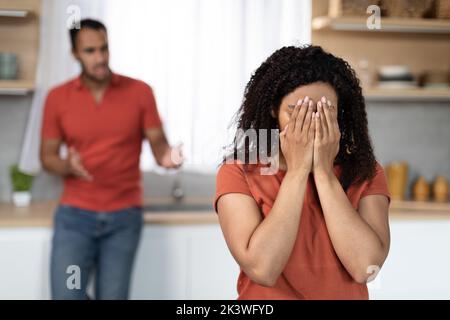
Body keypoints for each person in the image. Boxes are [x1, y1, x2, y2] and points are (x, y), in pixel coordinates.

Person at [214, 45, 391, 299]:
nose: (311, 123)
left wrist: (323, 172)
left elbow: (365, 267)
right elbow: (262, 268)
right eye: (297, 112)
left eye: (323, 113)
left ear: (339, 113)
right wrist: (297, 172)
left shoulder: (366, 171)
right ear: (274, 110)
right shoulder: (238, 173)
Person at [40, 19, 182, 299]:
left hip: (123, 219)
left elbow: (160, 148)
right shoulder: (57, 98)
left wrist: (170, 157)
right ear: (75, 54)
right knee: (69, 294)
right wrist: (66, 165)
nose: (100, 58)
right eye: (90, 51)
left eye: (104, 48)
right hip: (75, 220)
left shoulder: (140, 92)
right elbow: (47, 157)